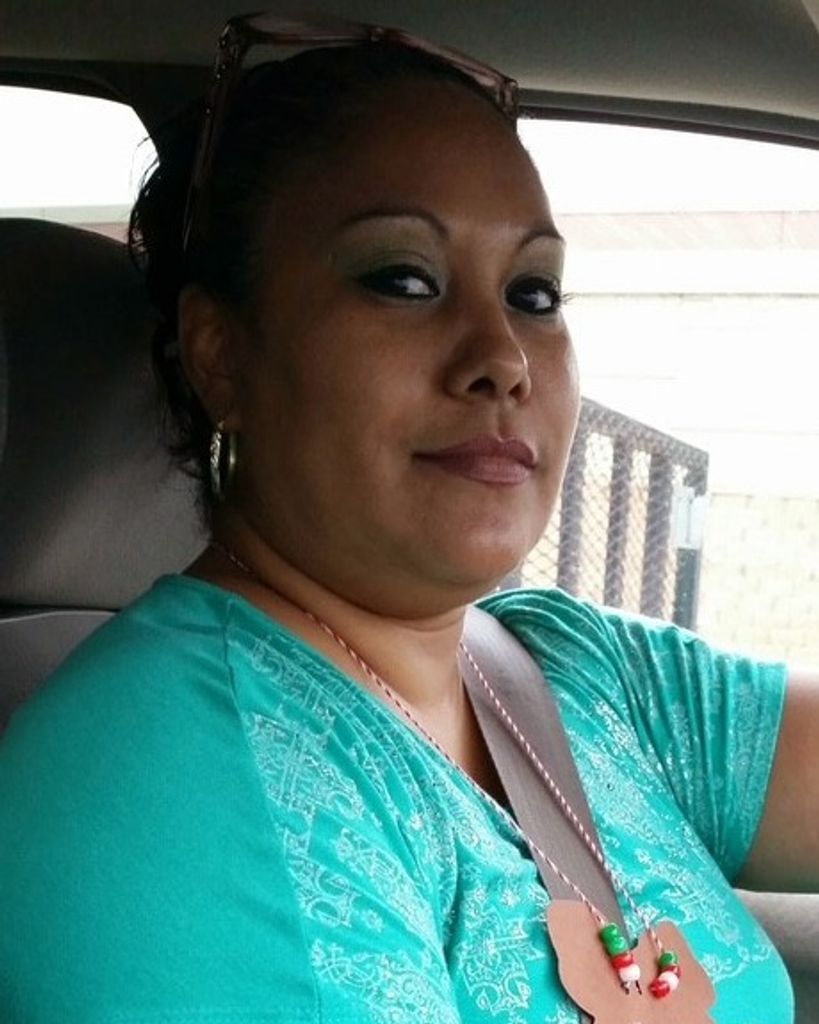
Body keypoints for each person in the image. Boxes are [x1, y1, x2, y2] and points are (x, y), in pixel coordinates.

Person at [1, 12, 817, 1023]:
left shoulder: (582, 674)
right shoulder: (163, 780)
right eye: (404, 279)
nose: (502, 358)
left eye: (533, 292)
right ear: (222, 356)